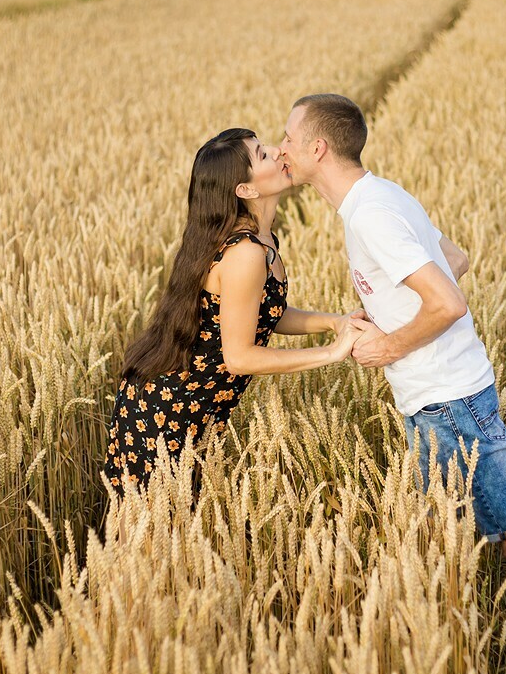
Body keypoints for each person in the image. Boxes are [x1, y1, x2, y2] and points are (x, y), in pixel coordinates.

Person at [277, 94, 506, 666]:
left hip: (446, 402)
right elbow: (454, 257)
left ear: (317, 147)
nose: (280, 147)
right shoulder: (380, 196)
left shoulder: (371, 215)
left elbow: (449, 300)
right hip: (445, 396)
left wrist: (390, 343)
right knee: (445, 545)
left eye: (287, 137)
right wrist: (395, 312)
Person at [103, 127, 364, 494]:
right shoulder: (245, 254)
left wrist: (335, 323)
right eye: (261, 155)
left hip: (196, 414)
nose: (276, 151)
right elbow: (239, 357)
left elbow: (265, 314)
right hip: (166, 415)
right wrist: (331, 353)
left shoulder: (262, 238)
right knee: (146, 539)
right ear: (246, 189)